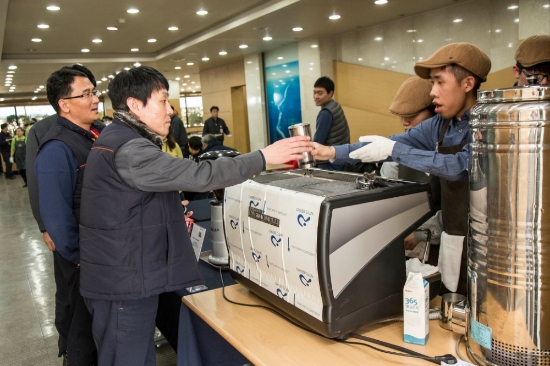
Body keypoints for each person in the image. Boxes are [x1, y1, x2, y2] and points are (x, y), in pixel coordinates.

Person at [78, 66, 314, 366]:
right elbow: (200, 175)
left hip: (125, 274)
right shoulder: (130, 149)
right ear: (135, 105)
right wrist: (264, 157)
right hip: (123, 284)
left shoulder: (119, 137)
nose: (171, 110)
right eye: (163, 101)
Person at [313, 42, 491, 297]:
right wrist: (330, 152)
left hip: (488, 248)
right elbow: (392, 142)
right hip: (454, 240)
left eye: (440, 82)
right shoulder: (440, 125)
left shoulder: (489, 123)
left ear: (468, 83)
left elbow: (459, 167)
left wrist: (393, 149)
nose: (432, 92)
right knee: (452, 307)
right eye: (432, 84)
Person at [26, 65, 102, 366]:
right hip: (82, 257)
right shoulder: (57, 146)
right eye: (86, 94)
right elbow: (55, 212)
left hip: (98, 252)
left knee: (95, 326)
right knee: (81, 326)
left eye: (95, 92)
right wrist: (78, 256)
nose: (95, 99)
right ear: (65, 104)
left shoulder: (95, 135)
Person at [379, 77, 440, 258]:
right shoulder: (397, 148)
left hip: (439, 245)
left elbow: (456, 210)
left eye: (412, 115)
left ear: (433, 112)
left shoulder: (449, 150)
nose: (405, 122)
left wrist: (422, 232)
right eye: (402, 116)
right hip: (404, 242)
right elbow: (387, 193)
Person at [313, 76, 350, 170]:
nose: (316, 96)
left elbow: (318, 142)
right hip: (341, 157)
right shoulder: (335, 105)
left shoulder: (326, 113)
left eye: (320, 93)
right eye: (314, 92)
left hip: (329, 162)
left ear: (330, 93)